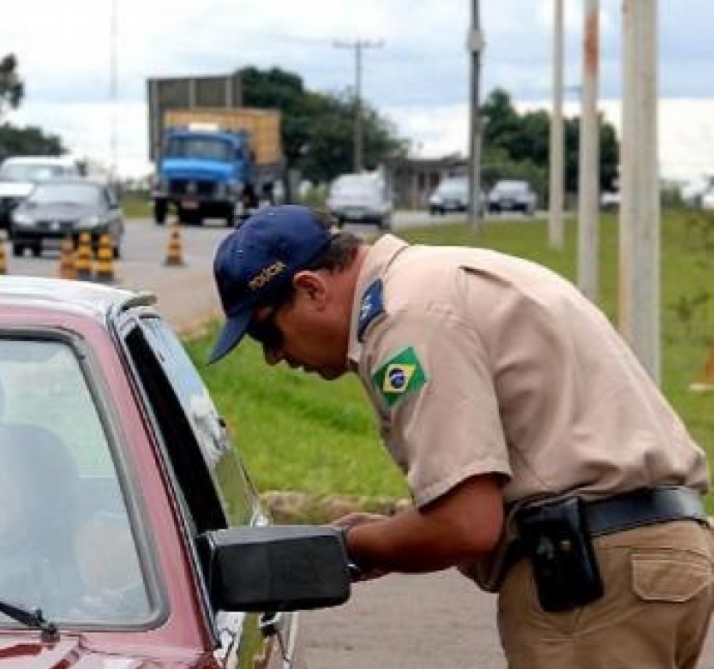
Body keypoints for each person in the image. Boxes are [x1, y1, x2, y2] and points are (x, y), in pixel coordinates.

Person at [207, 204, 713, 669]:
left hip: (592, 580)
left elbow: (466, 525)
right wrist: (393, 529)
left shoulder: (406, 319)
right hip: (656, 558)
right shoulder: (435, 277)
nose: (274, 357)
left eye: (266, 333)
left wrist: (352, 545)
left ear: (313, 288)